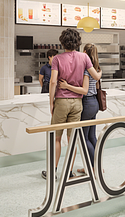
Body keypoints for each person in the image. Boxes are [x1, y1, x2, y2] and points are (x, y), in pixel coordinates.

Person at [43, 29, 102, 180]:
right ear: (78, 42)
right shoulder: (84, 57)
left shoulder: (56, 59)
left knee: (56, 138)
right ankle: (69, 171)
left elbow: (53, 81)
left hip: (62, 101)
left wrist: (51, 102)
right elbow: (95, 76)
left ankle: (52, 171)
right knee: (72, 139)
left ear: (62, 42)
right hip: (77, 103)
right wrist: (101, 72)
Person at [57, 43, 101, 176]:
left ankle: (93, 169)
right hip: (95, 103)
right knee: (92, 137)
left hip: (87, 103)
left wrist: (66, 86)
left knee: (84, 138)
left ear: (85, 52)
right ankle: (95, 166)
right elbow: (97, 84)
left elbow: (84, 90)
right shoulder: (97, 68)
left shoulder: (87, 70)